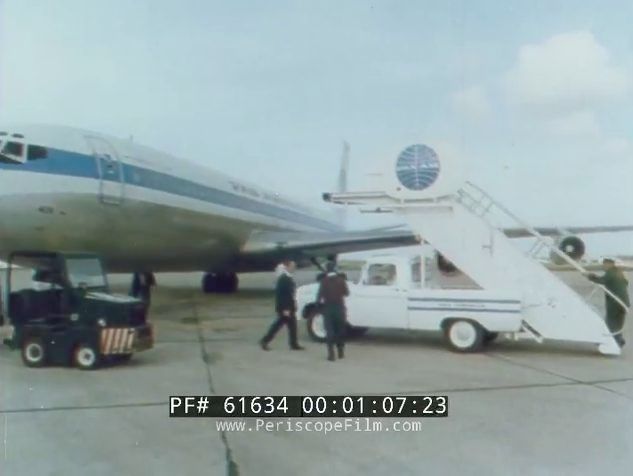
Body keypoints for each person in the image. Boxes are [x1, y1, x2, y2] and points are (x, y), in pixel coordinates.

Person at [260, 260, 304, 351]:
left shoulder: (288, 278)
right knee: (278, 326)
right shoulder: (283, 279)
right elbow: (281, 295)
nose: (294, 268)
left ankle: (293, 344)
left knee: (291, 326)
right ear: (287, 267)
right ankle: (265, 341)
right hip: (285, 308)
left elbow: (290, 294)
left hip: (289, 307)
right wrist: (285, 309)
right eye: (292, 266)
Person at [587, 258, 629, 347]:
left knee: (611, 322)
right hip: (624, 302)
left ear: (610, 264)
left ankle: (611, 340)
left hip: (615, 303)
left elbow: (601, 281)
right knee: (618, 323)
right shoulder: (619, 273)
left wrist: (589, 276)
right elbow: (625, 283)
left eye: (604, 264)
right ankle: (618, 339)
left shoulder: (610, 273)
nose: (603, 266)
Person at [317, 261, 350, 361]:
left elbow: (319, 297)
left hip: (328, 308)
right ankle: (341, 352)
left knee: (329, 331)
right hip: (339, 307)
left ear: (327, 270)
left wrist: (319, 307)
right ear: (335, 269)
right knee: (340, 330)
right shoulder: (341, 280)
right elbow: (347, 293)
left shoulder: (324, 281)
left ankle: (331, 354)